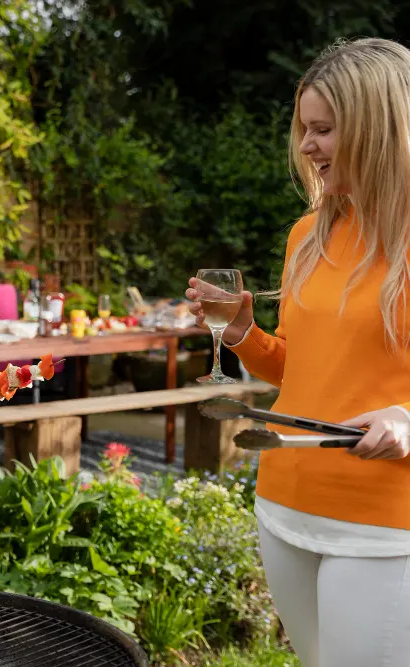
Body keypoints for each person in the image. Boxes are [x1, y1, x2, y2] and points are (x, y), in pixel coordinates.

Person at [187, 37, 410, 667]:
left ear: (380, 129)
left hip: (385, 525)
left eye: (325, 130)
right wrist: (240, 335)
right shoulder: (308, 234)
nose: (307, 146)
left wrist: (405, 418)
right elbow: (300, 369)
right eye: (304, 129)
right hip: (284, 502)